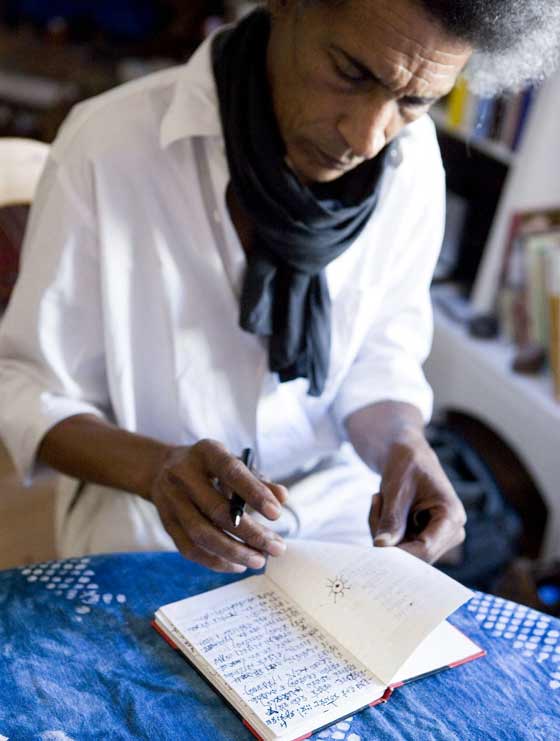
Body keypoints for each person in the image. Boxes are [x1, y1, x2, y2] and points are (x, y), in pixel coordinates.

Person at [0, 0, 558, 573]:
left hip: (337, 509)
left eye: (414, 101)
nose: (368, 137)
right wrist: (157, 468)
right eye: (351, 72)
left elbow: (379, 359)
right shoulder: (110, 145)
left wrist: (404, 444)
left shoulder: (411, 164)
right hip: (151, 514)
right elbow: (26, 386)